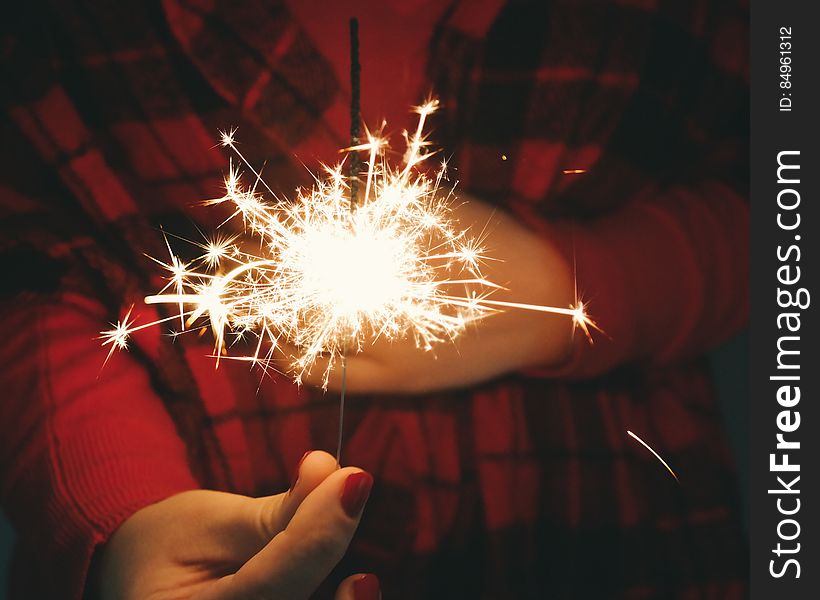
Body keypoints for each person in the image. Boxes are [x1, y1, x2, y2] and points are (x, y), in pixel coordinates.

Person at [0, 0, 749, 598]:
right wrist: (125, 520)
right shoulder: (69, 32)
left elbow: (776, 203)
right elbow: (28, 269)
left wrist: (571, 290)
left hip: (608, 541)